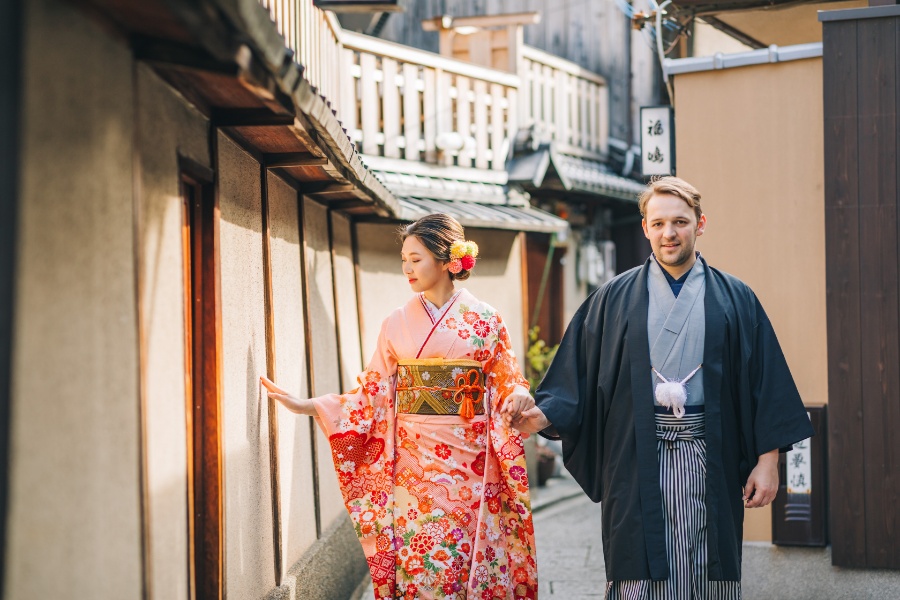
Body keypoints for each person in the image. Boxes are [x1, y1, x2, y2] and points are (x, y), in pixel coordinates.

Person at [513, 176, 814, 599]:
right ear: (645, 229)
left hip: (711, 455)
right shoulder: (613, 298)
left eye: (679, 222)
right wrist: (542, 414)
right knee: (637, 568)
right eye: (658, 224)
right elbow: (575, 376)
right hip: (636, 457)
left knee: (708, 572)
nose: (668, 233)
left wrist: (768, 463)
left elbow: (764, 381)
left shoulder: (736, 297)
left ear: (700, 224)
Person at [261, 213, 538, 600]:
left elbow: (509, 383)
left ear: (448, 260)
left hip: (472, 463)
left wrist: (520, 396)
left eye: (416, 259)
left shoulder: (486, 320)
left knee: (466, 561)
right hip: (412, 467)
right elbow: (371, 392)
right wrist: (310, 405)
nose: (407, 268)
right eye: (404, 259)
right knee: (420, 558)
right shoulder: (396, 323)